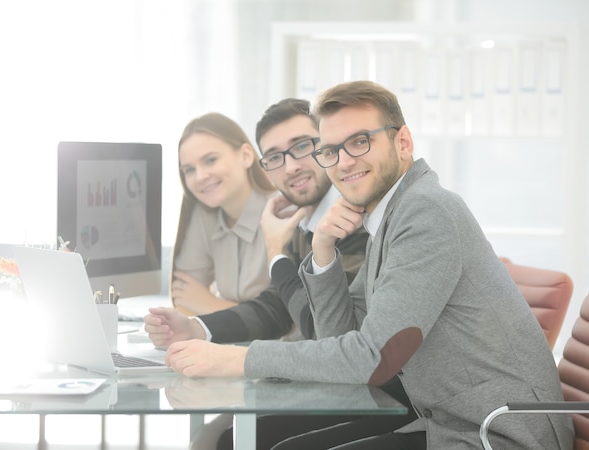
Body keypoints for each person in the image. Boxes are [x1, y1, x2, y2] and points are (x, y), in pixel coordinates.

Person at [161, 81, 574, 449]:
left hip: (498, 433)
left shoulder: (426, 213)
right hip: (448, 424)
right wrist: (323, 251)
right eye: (330, 150)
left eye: (360, 141)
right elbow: (341, 335)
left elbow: (368, 359)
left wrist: (238, 360)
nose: (343, 161)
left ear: (403, 143)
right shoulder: (387, 217)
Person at [146, 99, 374, 450]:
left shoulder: (353, 218)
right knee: (218, 439)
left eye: (302, 146)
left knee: (229, 441)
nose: (291, 166)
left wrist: (274, 254)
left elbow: (328, 331)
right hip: (334, 382)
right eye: (276, 157)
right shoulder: (304, 220)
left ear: (327, 146)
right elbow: (277, 307)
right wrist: (198, 327)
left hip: (373, 394)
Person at [170, 112, 276, 316]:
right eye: (189, 170)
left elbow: (284, 321)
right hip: (231, 345)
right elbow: (184, 296)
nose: (200, 176)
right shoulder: (205, 215)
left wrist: (212, 305)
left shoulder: (281, 211)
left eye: (210, 160)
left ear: (246, 156)